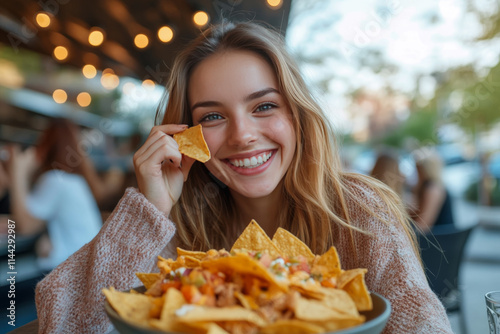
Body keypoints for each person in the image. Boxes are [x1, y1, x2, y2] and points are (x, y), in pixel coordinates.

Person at [35, 22, 453, 333]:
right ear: (187, 136)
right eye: (213, 117)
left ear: (298, 115)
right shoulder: (173, 229)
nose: (242, 136)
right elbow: (63, 323)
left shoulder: (359, 210)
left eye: (264, 106)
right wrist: (149, 209)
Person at [8, 119, 103, 270]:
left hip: (69, 269)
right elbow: (34, 218)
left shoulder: (55, 179)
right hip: (85, 265)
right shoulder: (72, 179)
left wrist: (18, 171)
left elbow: (25, 225)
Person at [411, 150, 455, 233]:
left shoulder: (433, 189)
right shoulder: (431, 186)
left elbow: (422, 227)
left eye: (418, 169)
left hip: (442, 239)